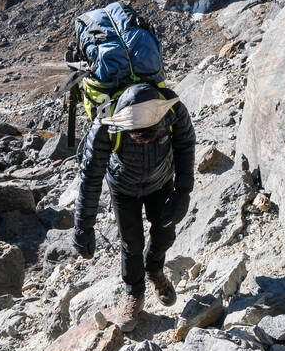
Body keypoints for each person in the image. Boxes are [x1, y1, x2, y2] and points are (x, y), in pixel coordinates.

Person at [72, 82, 195, 329]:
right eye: (137, 139)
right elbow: (91, 177)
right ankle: (134, 292)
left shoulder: (173, 112)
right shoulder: (105, 128)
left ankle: (154, 270)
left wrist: (183, 191)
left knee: (165, 231)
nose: (144, 143)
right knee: (131, 242)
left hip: (161, 182)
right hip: (123, 188)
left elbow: (185, 144)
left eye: (151, 137)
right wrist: (83, 226)